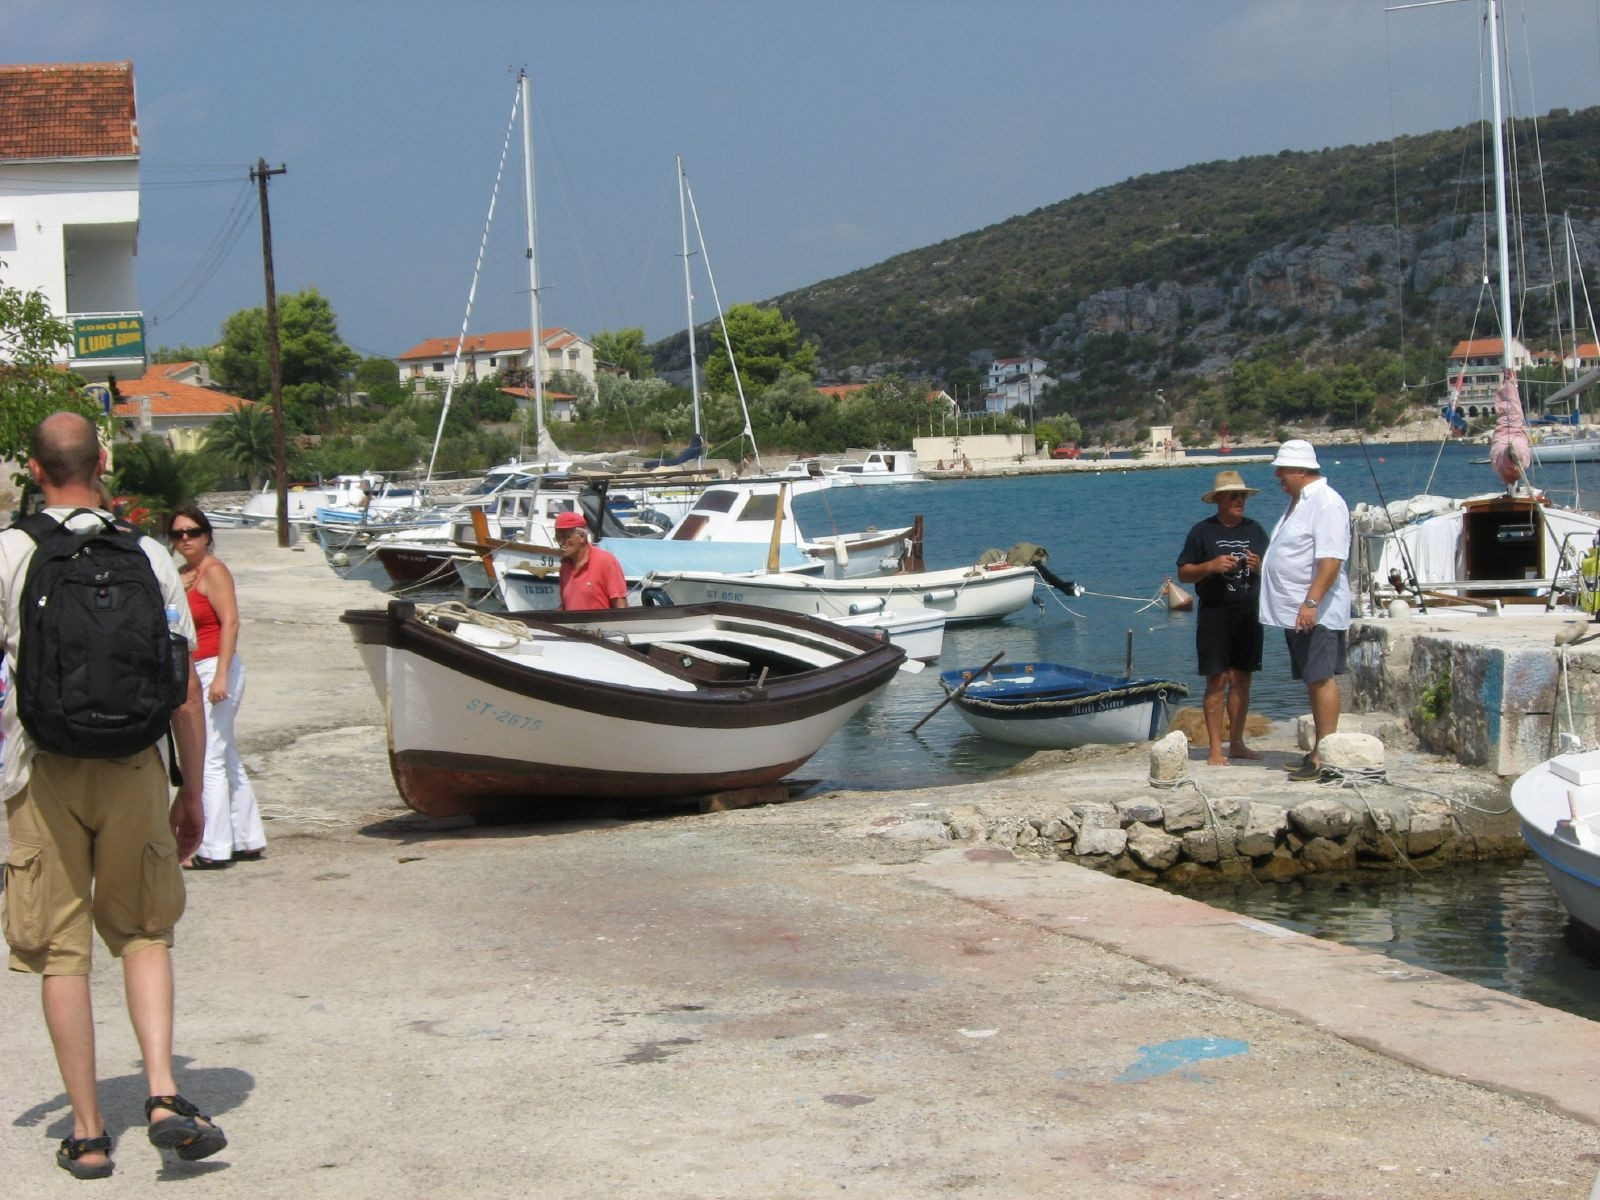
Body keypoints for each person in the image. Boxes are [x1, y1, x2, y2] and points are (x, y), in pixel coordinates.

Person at [1, 412, 226, 1177]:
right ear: (102, 462)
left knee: (62, 953)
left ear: (35, 470)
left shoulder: (9, 553)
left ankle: (91, 1133)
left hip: (42, 768)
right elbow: (183, 690)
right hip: (134, 765)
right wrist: (192, 791)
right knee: (143, 933)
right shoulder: (152, 556)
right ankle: (163, 1093)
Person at [167, 505, 266, 870]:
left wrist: (222, 675)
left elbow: (231, 623)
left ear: (208, 535)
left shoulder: (214, 571)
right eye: (178, 534)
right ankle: (247, 837)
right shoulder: (183, 575)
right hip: (195, 670)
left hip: (215, 669)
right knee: (225, 754)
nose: (186, 539)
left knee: (206, 757)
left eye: (193, 531)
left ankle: (211, 847)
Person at [1259, 439, 1352, 781]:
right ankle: (1316, 751)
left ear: (1300, 470)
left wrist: (1312, 602)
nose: (1278, 476)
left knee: (1320, 676)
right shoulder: (1301, 503)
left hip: (1316, 611)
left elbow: (1330, 559)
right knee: (1312, 679)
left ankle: (1325, 756)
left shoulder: (1326, 504)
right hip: (1297, 611)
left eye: (1282, 470)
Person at [1176, 470, 1269, 766]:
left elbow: (1274, 569)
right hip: (1215, 614)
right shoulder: (1202, 532)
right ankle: (1216, 748)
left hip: (1248, 613)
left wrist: (1259, 566)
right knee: (1217, 679)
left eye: (1242, 496)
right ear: (1219, 500)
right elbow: (1183, 572)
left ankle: (1238, 742)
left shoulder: (1255, 530)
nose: (1239, 501)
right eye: (1233, 496)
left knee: (1243, 679)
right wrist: (1212, 565)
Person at [555, 510, 627, 610]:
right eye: (558, 538)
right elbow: (565, 606)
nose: (561, 543)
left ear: (582, 537)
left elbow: (621, 606)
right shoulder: (565, 566)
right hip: (572, 625)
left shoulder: (605, 561)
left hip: (601, 625)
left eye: (566, 537)